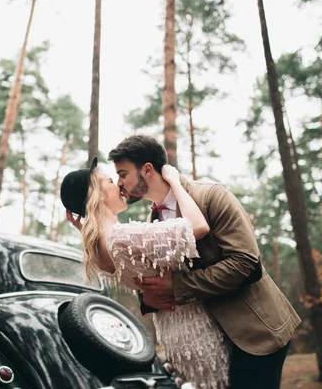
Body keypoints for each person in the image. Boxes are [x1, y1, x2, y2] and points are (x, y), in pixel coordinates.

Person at [67, 135, 301, 389]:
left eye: (122, 174)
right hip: (207, 345)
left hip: (252, 332)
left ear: (146, 170)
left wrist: (178, 287)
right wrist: (148, 299)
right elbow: (149, 276)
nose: (120, 183)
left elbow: (246, 263)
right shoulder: (150, 221)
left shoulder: (211, 196)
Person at [61, 157, 231, 388]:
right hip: (199, 333)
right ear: (97, 195)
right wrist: (175, 182)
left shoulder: (98, 251)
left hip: (172, 336)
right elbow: (199, 226)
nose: (119, 185)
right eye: (110, 181)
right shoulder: (123, 237)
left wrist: (86, 226)